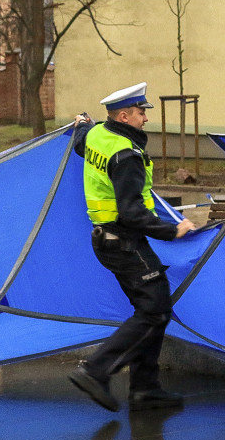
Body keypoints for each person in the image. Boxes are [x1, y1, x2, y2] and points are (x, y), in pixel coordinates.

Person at [68, 82, 196, 412]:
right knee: (156, 309)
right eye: (141, 113)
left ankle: (145, 389)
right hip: (124, 241)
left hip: (109, 241)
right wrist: (173, 230)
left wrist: (82, 122)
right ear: (124, 116)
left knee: (152, 310)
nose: (145, 118)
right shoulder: (127, 155)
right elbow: (132, 211)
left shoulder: (98, 135)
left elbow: (81, 139)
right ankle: (95, 371)